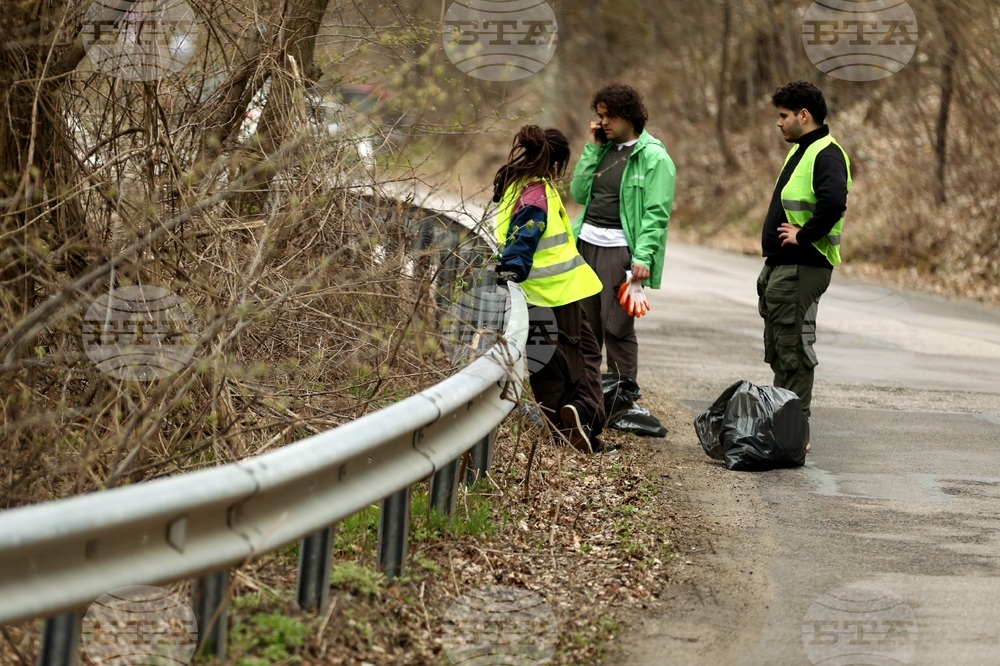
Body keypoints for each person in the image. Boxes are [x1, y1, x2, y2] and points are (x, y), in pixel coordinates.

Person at [492, 125, 615, 454]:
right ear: (557, 164)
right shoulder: (537, 193)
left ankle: (563, 430)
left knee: (546, 365)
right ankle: (583, 416)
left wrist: (510, 275)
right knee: (584, 357)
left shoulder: (512, 184)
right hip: (558, 293)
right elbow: (525, 234)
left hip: (530, 294)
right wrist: (513, 267)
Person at [757, 80, 852, 426]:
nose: (778, 122)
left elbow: (834, 203)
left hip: (803, 266)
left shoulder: (826, 153)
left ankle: (792, 429)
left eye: (783, 116)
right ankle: (779, 423)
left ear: (804, 115)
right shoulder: (802, 149)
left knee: (793, 351)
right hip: (784, 266)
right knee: (781, 349)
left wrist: (805, 235)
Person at [569, 83, 675, 385]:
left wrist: (643, 257)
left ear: (629, 116)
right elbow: (578, 192)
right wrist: (592, 147)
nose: (604, 122)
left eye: (609, 116)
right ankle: (586, 394)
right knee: (586, 328)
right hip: (585, 245)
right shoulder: (601, 151)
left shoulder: (654, 158)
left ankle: (622, 396)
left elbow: (657, 214)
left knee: (616, 327)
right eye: (601, 116)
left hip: (619, 252)